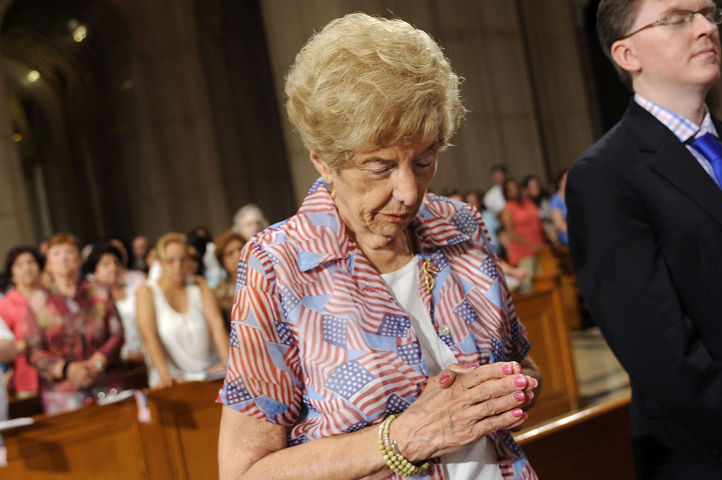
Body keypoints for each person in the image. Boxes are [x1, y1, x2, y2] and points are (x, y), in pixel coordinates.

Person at [218, 14, 541, 480]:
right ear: (324, 162)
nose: (410, 191)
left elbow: (524, 366)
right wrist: (405, 438)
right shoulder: (278, 266)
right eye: (379, 167)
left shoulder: (461, 228)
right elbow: (245, 473)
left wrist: (505, 391)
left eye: (424, 160)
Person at [567, 2, 722, 479]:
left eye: (708, 13)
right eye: (678, 18)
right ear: (627, 53)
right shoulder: (604, 177)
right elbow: (666, 361)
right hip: (721, 456)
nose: (705, 28)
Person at [25, 233, 126, 414]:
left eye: (69, 252)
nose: (63, 257)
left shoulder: (99, 292)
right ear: (48, 263)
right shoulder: (39, 302)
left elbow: (118, 333)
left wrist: (97, 363)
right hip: (63, 392)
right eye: (56, 253)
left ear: (79, 259)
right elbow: (34, 350)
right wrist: (67, 369)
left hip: (106, 381)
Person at [136, 233, 229, 389]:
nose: (177, 265)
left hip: (209, 374)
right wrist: (165, 375)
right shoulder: (147, 291)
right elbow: (149, 337)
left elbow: (217, 324)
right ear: (160, 262)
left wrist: (228, 363)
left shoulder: (200, 284)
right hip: (174, 380)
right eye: (170, 260)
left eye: (183, 259)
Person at [86, 243, 145, 365]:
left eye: (116, 262)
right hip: (112, 361)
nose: (113, 267)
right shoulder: (92, 301)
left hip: (144, 354)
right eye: (105, 264)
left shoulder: (135, 291)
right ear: (94, 271)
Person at [0, 247, 44, 398]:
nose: (27, 268)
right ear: (12, 273)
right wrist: (34, 341)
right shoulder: (5, 305)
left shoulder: (52, 297)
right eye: (19, 265)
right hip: (27, 378)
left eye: (31, 262)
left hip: (60, 375)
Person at [500, 178, 544, 292]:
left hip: (539, 248)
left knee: (544, 282)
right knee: (528, 285)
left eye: (516, 187)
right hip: (523, 252)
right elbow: (511, 234)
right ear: (506, 193)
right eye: (510, 189)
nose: (515, 191)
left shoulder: (528, 203)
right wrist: (531, 245)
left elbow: (538, 222)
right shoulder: (507, 209)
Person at [212, 231, 246, 332]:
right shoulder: (219, 292)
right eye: (230, 253)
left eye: (241, 249)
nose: (238, 254)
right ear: (222, 262)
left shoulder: (266, 280)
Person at [548, 170, 569, 248]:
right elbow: (559, 224)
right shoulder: (556, 200)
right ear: (560, 182)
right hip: (568, 239)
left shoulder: (574, 197)